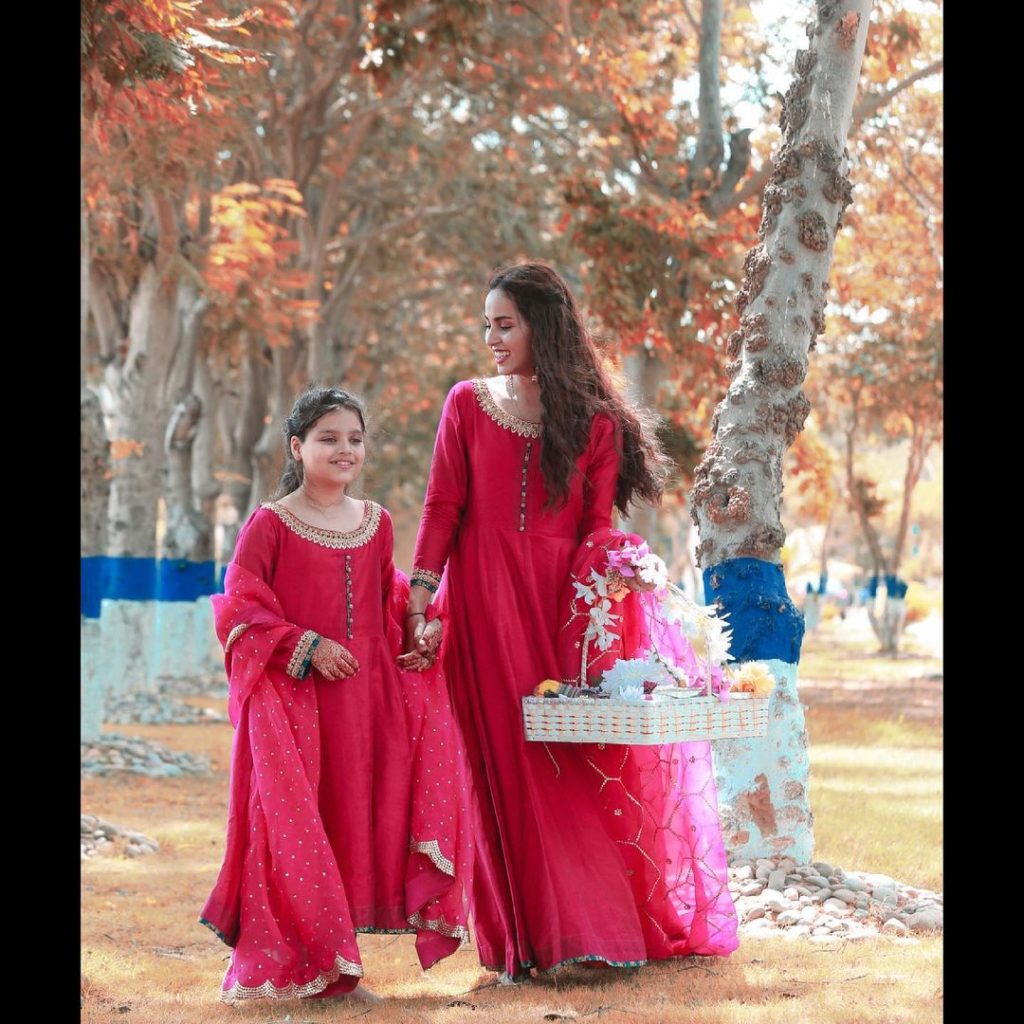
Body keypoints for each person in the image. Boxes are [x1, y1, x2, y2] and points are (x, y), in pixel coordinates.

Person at [404, 262, 738, 980]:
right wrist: (420, 600)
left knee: (563, 762)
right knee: (498, 764)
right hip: (482, 604)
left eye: (505, 324)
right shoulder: (466, 403)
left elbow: (595, 526)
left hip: (563, 609)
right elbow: (441, 507)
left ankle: (587, 931)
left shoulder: (594, 420)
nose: (492, 338)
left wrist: (609, 603)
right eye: (487, 325)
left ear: (541, 326)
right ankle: (523, 947)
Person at [201, 387, 472, 1003]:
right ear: (297, 448)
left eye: (354, 438)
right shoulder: (269, 523)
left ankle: (335, 959)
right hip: (295, 702)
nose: (344, 449)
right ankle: (300, 966)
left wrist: (422, 627)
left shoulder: (375, 522)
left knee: (353, 821)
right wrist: (306, 647)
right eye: (328, 438)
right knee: (298, 824)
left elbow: (389, 595)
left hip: (367, 698)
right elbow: (240, 609)